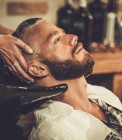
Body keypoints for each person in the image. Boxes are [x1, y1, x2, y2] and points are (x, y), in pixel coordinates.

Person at [5, 18, 122, 140]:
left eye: (64, 34)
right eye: (56, 40)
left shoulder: (104, 95)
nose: (73, 37)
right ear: (38, 69)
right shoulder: (58, 131)